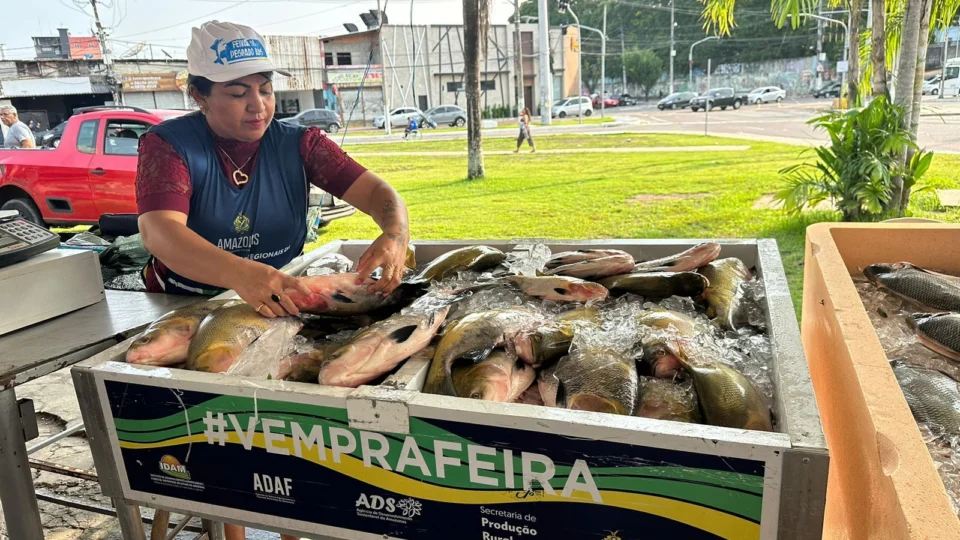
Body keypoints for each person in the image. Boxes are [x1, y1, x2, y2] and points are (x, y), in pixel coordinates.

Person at [135, 22, 409, 539]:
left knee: (283, 434)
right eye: (237, 93)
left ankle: (291, 520)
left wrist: (394, 233)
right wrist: (242, 275)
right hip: (187, 302)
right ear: (198, 93)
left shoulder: (301, 143)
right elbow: (159, 233)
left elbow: (380, 194)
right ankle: (231, 524)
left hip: (282, 296)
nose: (257, 105)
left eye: (264, 89)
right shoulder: (167, 145)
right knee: (219, 441)